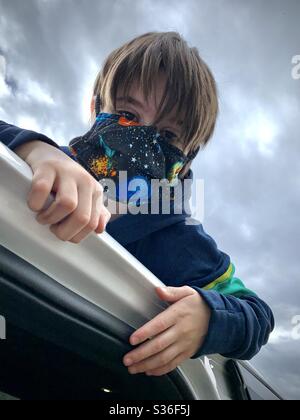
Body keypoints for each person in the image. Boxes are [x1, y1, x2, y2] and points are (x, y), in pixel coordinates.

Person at [0, 32, 274, 377]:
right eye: (128, 113)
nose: (142, 139)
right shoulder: (45, 163)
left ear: (185, 161)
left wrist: (209, 318)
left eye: (170, 135)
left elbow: (258, 315)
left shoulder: (180, 240)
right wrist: (32, 150)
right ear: (97, 107)